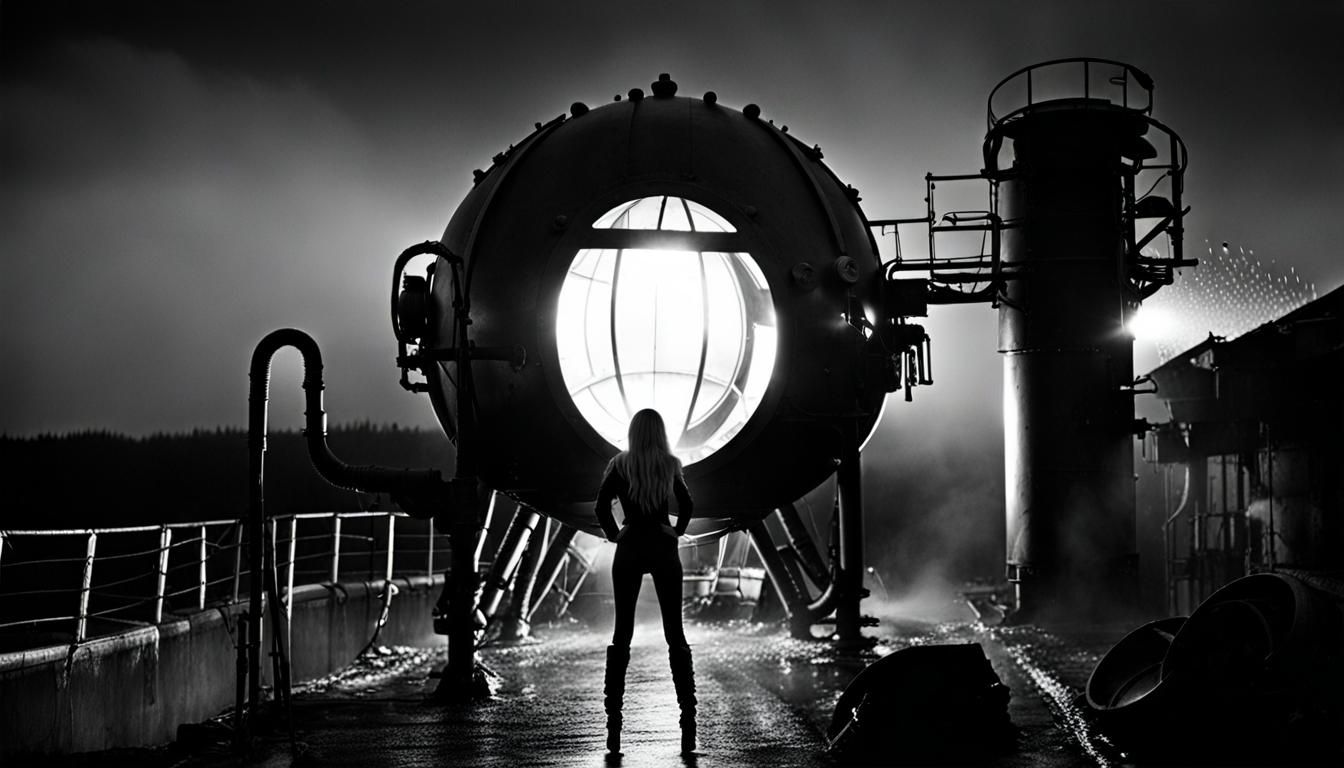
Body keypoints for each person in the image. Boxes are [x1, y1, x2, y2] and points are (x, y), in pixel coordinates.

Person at [594, 408, 696, 756]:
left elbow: (600, 507)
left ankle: (614, 725)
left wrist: (616, 535)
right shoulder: (670, 464)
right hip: (663, 547)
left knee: (622, 634)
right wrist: (676, 530)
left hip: (631, 545)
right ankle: (688, 721)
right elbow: (687, 504)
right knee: (675, 635)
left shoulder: (620, 464)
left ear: (634, 432)